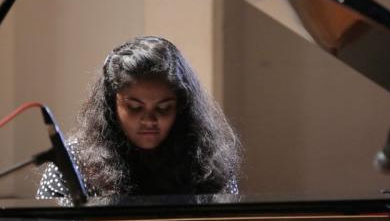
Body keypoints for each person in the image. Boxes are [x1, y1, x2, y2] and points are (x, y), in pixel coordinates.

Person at [37, 36, 241, 199]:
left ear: (181, 107)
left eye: (163, 108)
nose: (149, 120)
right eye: (134, 107)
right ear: (111, 105)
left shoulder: (208, 160)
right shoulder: (73, 160)